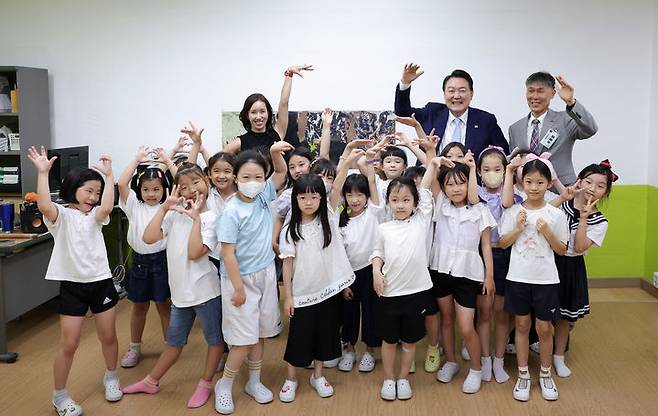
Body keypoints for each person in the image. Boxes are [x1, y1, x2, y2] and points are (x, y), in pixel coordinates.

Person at [27, 146, 122, 416]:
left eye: (97, 192)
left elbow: (106, 207)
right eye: (88, 191)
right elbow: (45, 205)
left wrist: (109, 176)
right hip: (72, 286)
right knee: (69, 344)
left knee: (108, 336)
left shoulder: (96, 216)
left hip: (100, 282)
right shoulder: (61, 216)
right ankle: (60, 396)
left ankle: (112, 377)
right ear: (73, 188)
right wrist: (43, 173)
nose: (93, 197)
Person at [122, 163, 223, 409]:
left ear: (207, 182)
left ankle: (206, 384)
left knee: (215, 340)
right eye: (184, 186)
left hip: (205, 292)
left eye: (196, 183)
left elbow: (193, 253)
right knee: (174, 343)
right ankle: (151, 380)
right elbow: (149, 237)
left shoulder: (212, 217)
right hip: (179, 293)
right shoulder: (175, 212)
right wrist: (166, 207)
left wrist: (196, 218)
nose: (191, 190)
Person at [214, 141, 293, 414]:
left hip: (266, 273)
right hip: (240, 280)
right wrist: (237, 288)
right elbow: (227, 253)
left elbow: (281, 174)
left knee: (258, 334)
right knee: (243, 339)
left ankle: (254, 382)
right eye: (246, 177)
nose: (253, 182)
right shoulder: (231, 211)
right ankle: (224, 385)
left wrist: (273, 155)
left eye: (258, 177)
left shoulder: (262, 196)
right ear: (236, 178)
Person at [278, 152, 361, 401]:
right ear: (295, 199)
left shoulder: (330, 217)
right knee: (298, 338)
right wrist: (288, 297)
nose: (309, 201)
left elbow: (336, 185)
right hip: (302, 294)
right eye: (303, 197)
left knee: (325, 335)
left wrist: (346, 161)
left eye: (314, 196)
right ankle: (291, 379)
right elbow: (288, 266)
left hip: (328, 291)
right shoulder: (290, 229)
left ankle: (318, 375)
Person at [499, 159, 569, 402]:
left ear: (549, 183)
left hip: (546, 279)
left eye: (540, 182)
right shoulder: (513, 212)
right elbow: (503, 243)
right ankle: (523, 375)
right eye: (529, 182)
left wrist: (548, 232)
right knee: (521, 326)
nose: (534, 187)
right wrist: (518, 228)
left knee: (544, 328)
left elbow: (562, 250)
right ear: (522, 182)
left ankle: (546, 374)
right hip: (518, 277)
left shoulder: (556, 214)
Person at [370, 148, 436, 401]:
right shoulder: (384, 228)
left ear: (415, 203)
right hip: (389, 293)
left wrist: (430, 156)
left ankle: (403, 379)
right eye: (395, 200)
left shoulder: (421, 220)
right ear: (389, 202)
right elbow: (377, 253)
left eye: (406, 200)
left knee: (409, 342)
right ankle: (389, 379)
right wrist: (376, 271)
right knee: (389, 341)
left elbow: (427, 183)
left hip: (417, 293)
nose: (400, 205)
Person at [429, 161, 496, 394]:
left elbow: (486, 246)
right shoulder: (440, 205)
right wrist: (431, 155)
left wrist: (489, 277)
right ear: (443, 187)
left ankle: (476, 369)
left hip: (467, 274)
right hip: (440, 271)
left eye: (461, 183)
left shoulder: (481, 209)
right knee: (446, 320)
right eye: (450, 184)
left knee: (467, 327)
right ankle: (451, 361)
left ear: (470, 183)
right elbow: (432, 175)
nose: (456, 189)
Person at [551, 161, 616, 377]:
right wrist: (563, 197)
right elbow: (539, 215)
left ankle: (558, 357)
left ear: (605, 192)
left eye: (599, 185)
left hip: (571, 267)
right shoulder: (563, 202)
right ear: (579, 181)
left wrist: (584, 218)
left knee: (563, 318)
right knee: (538, 311)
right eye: (588, 181)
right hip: (547, 260)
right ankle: (534, 345)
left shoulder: (600, 221)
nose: (592, 188)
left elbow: (579, 247)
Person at [467, 146, 523, 383]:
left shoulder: (512, 194)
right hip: (481, 256)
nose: (492, 173)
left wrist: (510, 172)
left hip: (506, 256)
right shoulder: (477, 193)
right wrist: (470, 170)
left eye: (498, 169)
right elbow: (470, 198)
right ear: (480, 171)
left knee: (501, 314)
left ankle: (499, 360)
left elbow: (508, 203)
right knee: (485, 312)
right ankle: (485, 359)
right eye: (486, 169)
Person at [117, 146, 172, 368]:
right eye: (146, 189)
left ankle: (171, 346)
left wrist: (168, 160)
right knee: (139, 307)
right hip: (139, 262)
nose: (151, 194)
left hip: (162, 261)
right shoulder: (133, 206)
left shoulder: (169, 207)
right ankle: (134, 348)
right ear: (139, 190)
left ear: (164, 190)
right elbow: (121, 184)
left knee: (163, 305)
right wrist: (137, 159)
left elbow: (178, 182)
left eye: (156, 189)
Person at [394, 64, 509, 158]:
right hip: (433, 178)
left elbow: (503, 153)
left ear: (471, 94)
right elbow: (402, 112)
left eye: (462, 91)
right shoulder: (432, 112)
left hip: (471, 182)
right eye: (451, 91)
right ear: (444, 94)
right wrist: (405, 83)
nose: (457, 96)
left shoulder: (486, 120)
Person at [337, 148, 385, 373]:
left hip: (371, 270)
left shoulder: (374, 213)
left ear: (366, 196)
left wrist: (363, 160)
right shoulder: (341, 221)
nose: (354, 199)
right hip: (348, 273)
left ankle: (369, 351)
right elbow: (339, 254)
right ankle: (349, 349)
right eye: (350, 195)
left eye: (359, 194)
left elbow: (373, 181)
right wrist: (344, 282)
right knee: (348, 314)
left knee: (372, 311)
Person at [508, 72, 598, 185]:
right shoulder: (515, 128)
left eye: (540, 91)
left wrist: (571, 102)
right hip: (528, 192)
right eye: (531, 91)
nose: (535, 96)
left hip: (561, 189)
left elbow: (591, 129)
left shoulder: (565, 119)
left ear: (553, 93)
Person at [223, 65, 313, 154]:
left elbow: (284, 102)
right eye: (253, 112)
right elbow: (218, 160)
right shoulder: (240, 142)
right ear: (247, 115)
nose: (259, 117)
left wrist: (289, 74)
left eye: (262, 111)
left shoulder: (277, 133)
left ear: (268, 113)